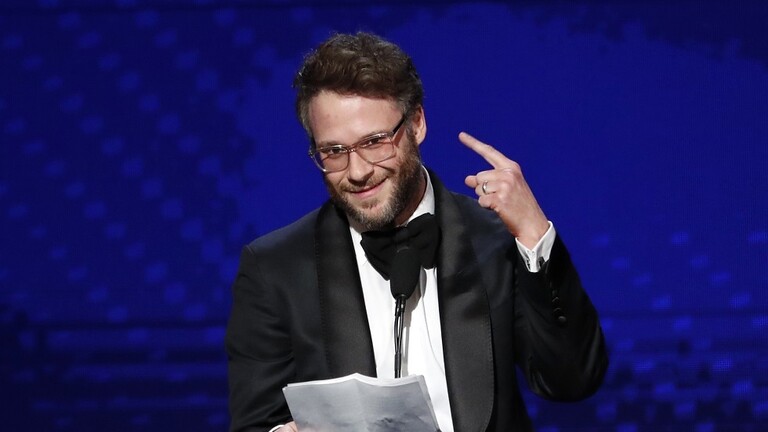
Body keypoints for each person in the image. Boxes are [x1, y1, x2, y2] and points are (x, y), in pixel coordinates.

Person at [225, 31, 608, 432]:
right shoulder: (275, 269)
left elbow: (572, 380)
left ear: (417, 124)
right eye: (334, 151)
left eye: (374, 142)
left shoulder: (494, 240)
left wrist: (533, 231)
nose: (358, 171)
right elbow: (257, 421)